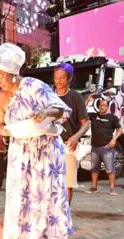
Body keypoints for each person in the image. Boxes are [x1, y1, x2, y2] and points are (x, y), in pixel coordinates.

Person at [0, 43, 74, 239]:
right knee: (19, 196)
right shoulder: (3, 97)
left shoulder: (34, 86)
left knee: (38, 195)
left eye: (0, 76)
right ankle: (22, 237)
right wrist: (7, 131)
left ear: (11, 72)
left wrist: (45, 111)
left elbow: (61, 110)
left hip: (43, 151)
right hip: (20, 151)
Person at [53, 63, 90, 204]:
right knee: (50, 182)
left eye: (62, 77)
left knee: (67, 184)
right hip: (50, 145)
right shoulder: (49, 95)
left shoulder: (76, 97)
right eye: (56, 77)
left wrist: (76, 137)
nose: (58, 81)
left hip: (69, 145)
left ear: (69, 79)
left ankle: (64, 214)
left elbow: (86, 123)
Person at [85, 99, 122, 195]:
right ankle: (94, 187)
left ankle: (112, 188)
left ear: (107, 107)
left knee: (110, 169)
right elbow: (82, 112)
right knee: (94, 168)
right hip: (95, 147)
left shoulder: (112, 118)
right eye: (100, 105)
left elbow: (119, 130)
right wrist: (87, 101)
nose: (102, 107)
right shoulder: (93, 116)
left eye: (104, 105)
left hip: (107, 147)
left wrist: (114, 139)